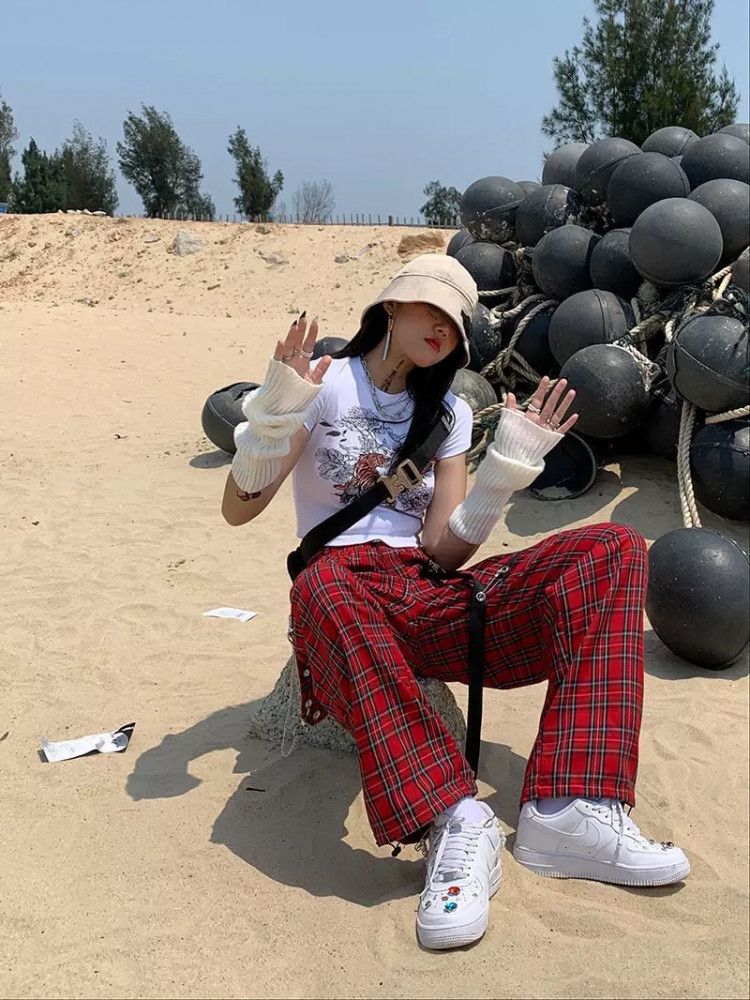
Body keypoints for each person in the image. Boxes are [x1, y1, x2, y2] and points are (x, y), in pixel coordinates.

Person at [220, 254, 690, 951]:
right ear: (390, 306)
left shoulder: (450, 414)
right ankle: (455, 818)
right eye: (430, 306)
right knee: (325, 581)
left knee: (612, 550)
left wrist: (503, 472)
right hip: (339, 590)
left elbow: (441, 551)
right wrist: (272, 417)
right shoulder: (324, 384)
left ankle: (571, 807)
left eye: (456, 318)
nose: (442, 325)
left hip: (423, 591)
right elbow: (238, 508)